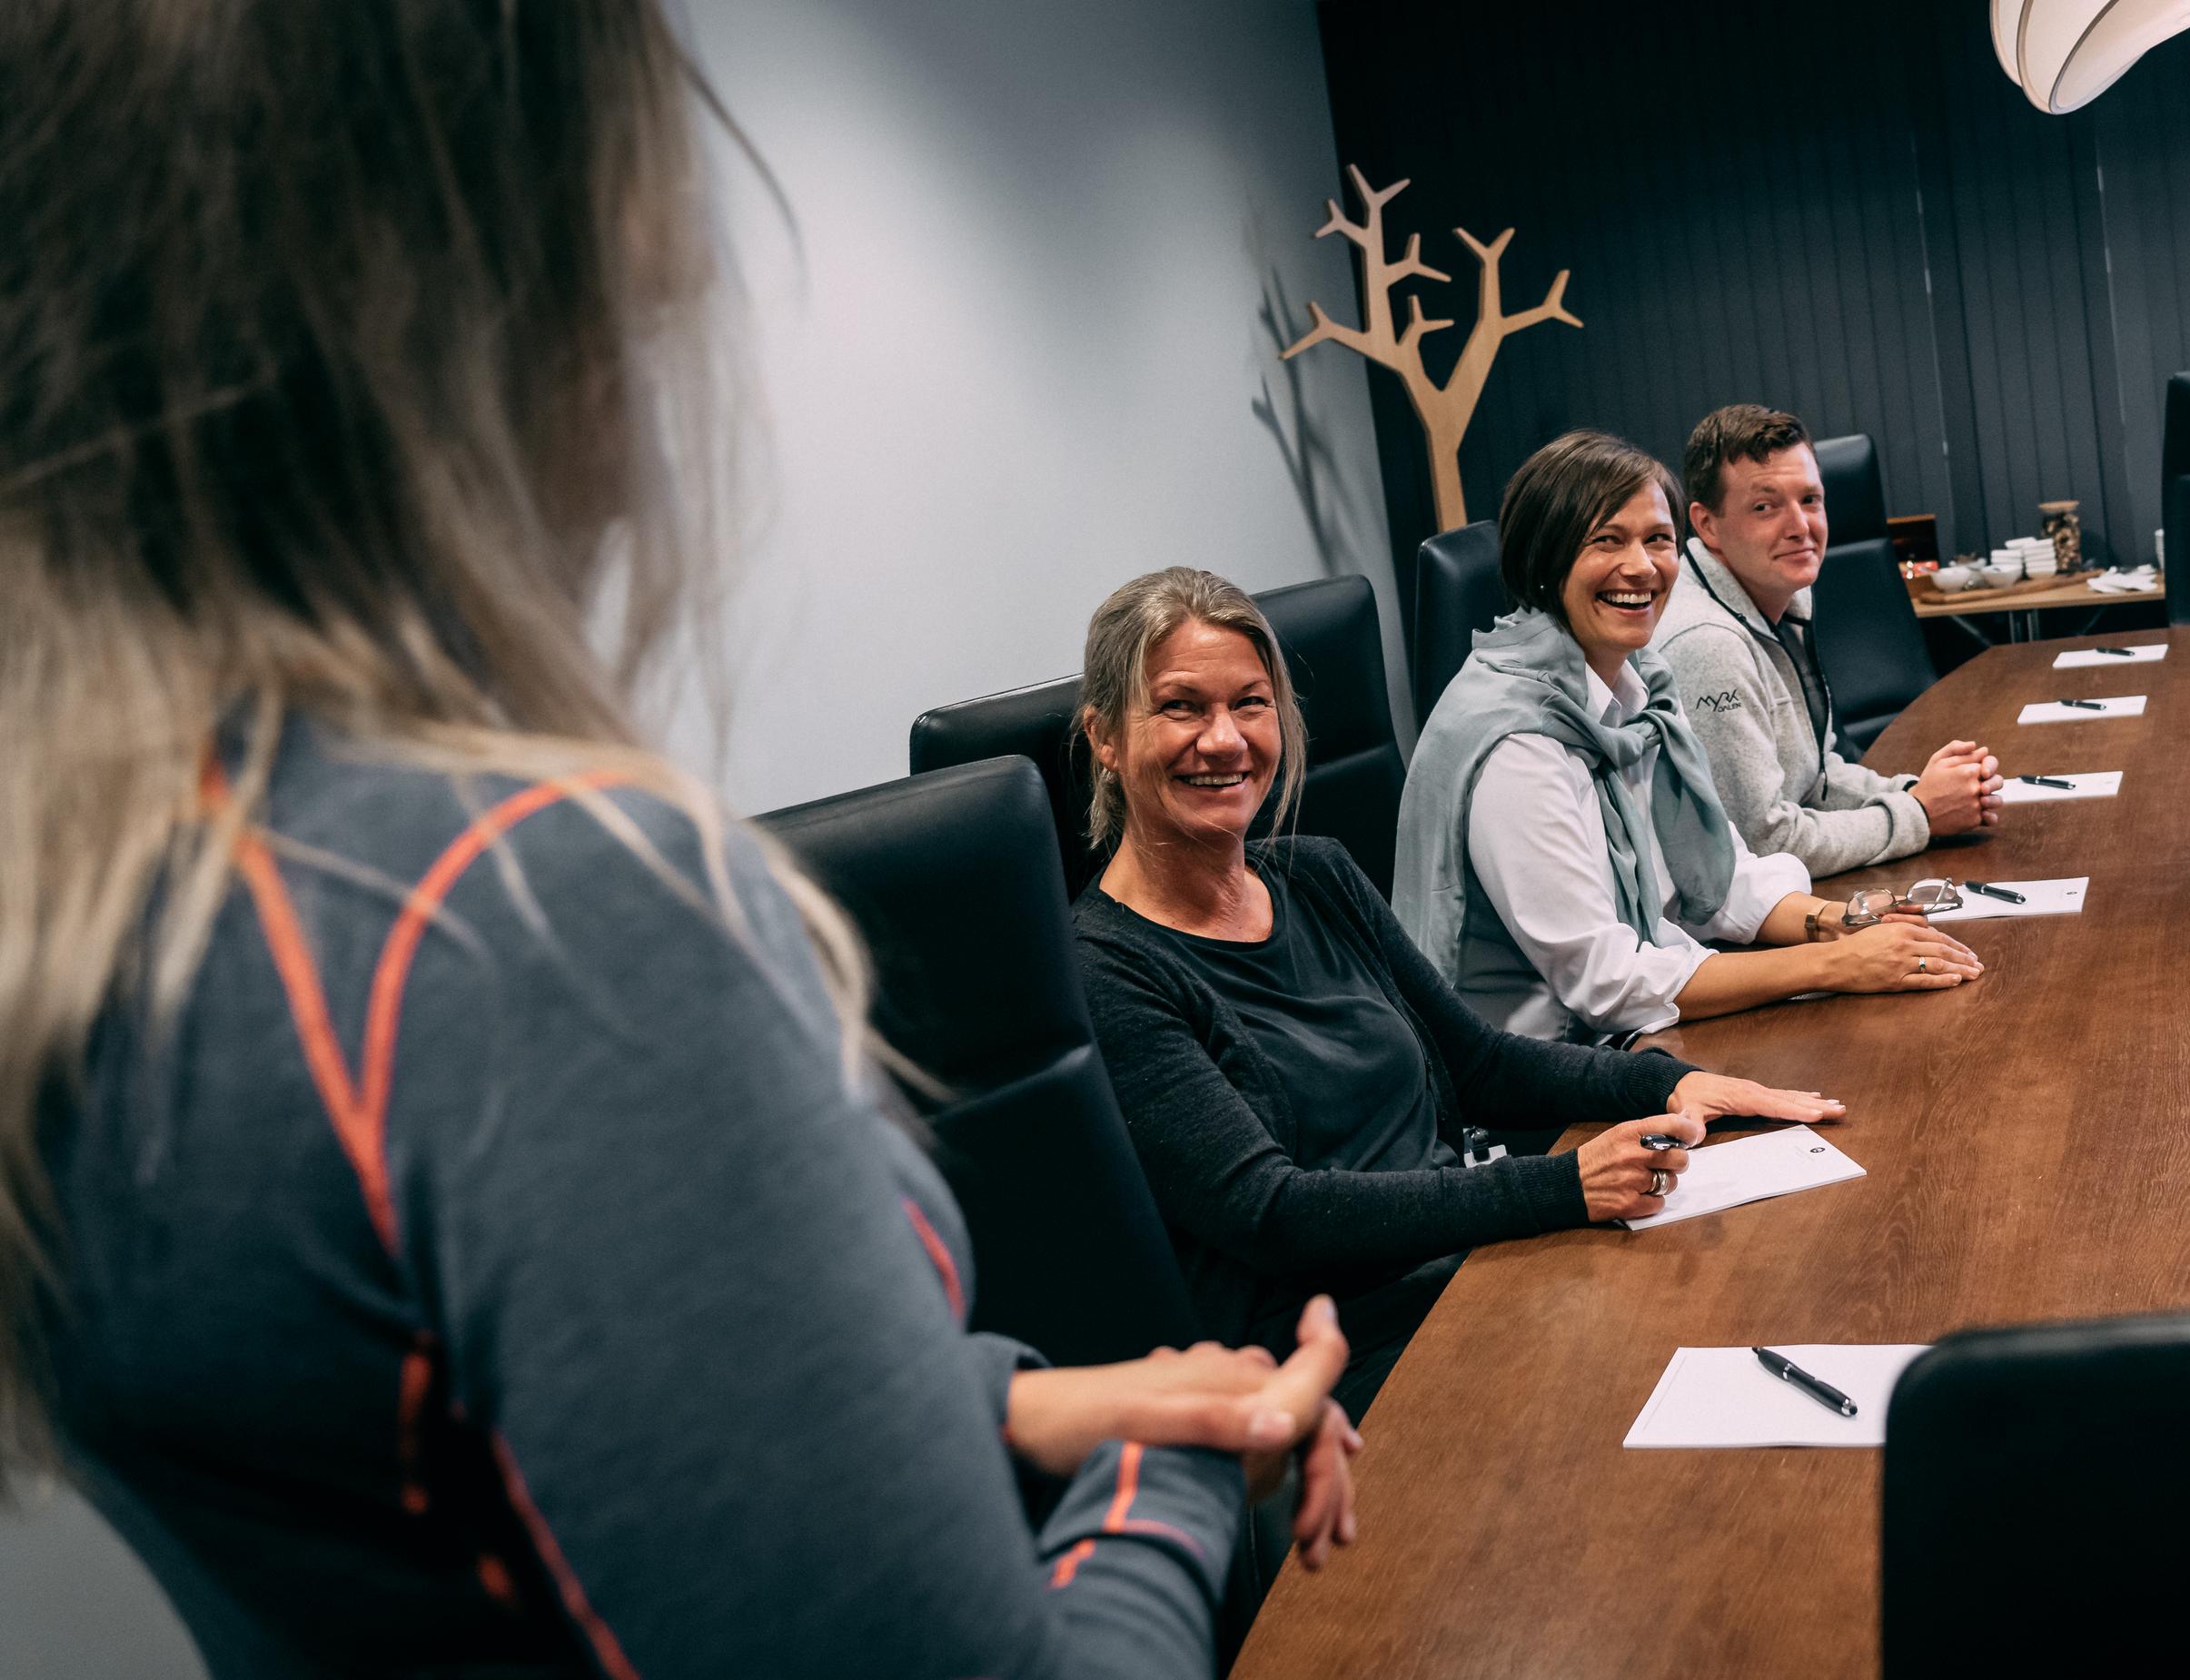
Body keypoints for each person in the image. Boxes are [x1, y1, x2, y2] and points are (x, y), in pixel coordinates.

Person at [2, 6, 1352, 1675]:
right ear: (517, 292)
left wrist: (1028, 1400)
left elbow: (472, 1473)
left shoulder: (97, 899)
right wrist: (1171, 1468)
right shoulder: (538, 925)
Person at [1072, 567, 1849, 1418]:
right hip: (1336, 1362)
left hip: (1474, 1273)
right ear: (1106, 736)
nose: (1223, 740)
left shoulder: (1316, 874)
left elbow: (1474, 1063)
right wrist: (1561, 1187)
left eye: (1249, 704)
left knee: (1770, 1295)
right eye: (1182, 707)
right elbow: (1275, 1211)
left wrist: (1663, 1081)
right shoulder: (1107, 968)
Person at [1395, 430, 1984, 1043]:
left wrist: (1842, 922)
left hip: (1634, 1029)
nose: (1643, 567)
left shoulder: (1633, 684)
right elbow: (1609, 985)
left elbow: (1716, 878)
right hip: (1539, 1079)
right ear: (1544, 558)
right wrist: (1834, 964)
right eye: (1607, 540)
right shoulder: (1517, 745)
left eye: (1657, 540)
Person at [1654, 404, 2003, 875]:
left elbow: (1814, 782)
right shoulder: (1708, 643)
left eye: (1811, 500)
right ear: (1707, 525)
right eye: (1765, 507)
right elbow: (1764, 842)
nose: (1801, 526)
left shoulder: (1780, 598)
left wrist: (1917, 793)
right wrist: (1920, 814)